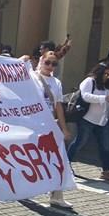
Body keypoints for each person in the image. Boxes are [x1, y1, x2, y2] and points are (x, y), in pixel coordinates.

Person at [66, 64, 109, 182]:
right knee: (79, 143)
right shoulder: (89, 81)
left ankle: (106, 171)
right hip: (87, 119)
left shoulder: (108, 87)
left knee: (105, 146)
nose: (107, 77)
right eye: (105, 74)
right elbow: (86, 96)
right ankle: (66, 165)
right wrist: (104, 99)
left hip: (102, 121)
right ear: (99, 73)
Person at [32, 51, 73, 208]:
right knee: (31, 159)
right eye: (47, 62)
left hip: (48, 126)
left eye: (54, 63)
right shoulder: (31, 77)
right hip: (33, 126)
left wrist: (64, 128)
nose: (50, 66)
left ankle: (57, 195)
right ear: (41, 61)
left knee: (58, 159)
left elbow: (58, 106)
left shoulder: (56, 83)